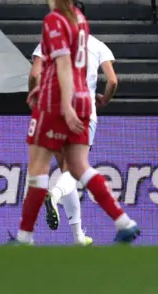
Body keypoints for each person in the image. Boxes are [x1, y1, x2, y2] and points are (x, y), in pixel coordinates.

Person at [11, 0, 138, 245]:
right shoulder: (82, 24)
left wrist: (47, 98)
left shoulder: (55, 22)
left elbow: (50, 69)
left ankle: (25, 235)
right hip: (86, 101)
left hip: (59, 101)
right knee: (77, 167)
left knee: (39, 167)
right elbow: (112, 79)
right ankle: (118, 223)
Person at [29, 31, 117, 245]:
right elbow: (113, 80)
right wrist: (105, 98)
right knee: (75, 172)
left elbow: (34, 75)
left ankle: (78, 236)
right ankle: (55, 196)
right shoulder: (98, 45)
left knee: (67, 171)